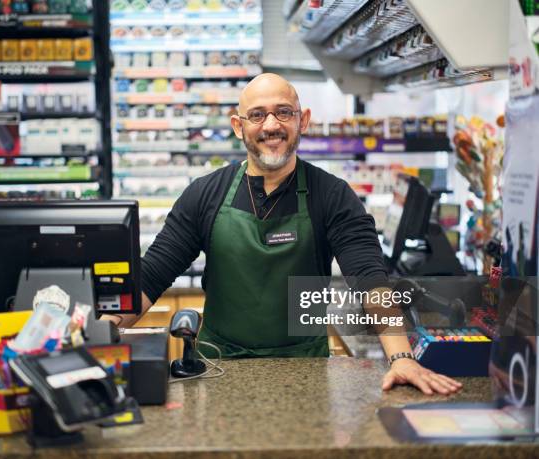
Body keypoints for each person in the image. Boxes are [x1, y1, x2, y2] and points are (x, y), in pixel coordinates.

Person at [105, 73, 462, 396]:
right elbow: (150, 278)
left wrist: (401, 356)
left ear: (302, 120)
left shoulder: (332, 195)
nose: (271, 125)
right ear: (238, 125)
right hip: (217, 368)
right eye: (257, 115)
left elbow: (370, 281)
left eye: (284, 112)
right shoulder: (205, 195)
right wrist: (97, 334)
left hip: (305, 372)